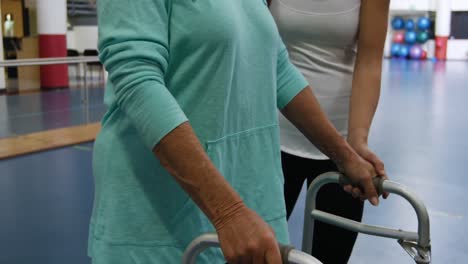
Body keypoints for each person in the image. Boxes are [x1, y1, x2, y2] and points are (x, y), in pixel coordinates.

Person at [89, 0, 382, 263]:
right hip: (165, 210)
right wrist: (228, 212)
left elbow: (278, 69)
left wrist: (344, 155)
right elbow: (137, 80)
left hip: (247, 198)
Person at [269, 0, 390, 263]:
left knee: (330, 257)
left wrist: (357, 141)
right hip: (272, 139)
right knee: (256, 253)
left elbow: (369, 61)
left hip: (341, 146)